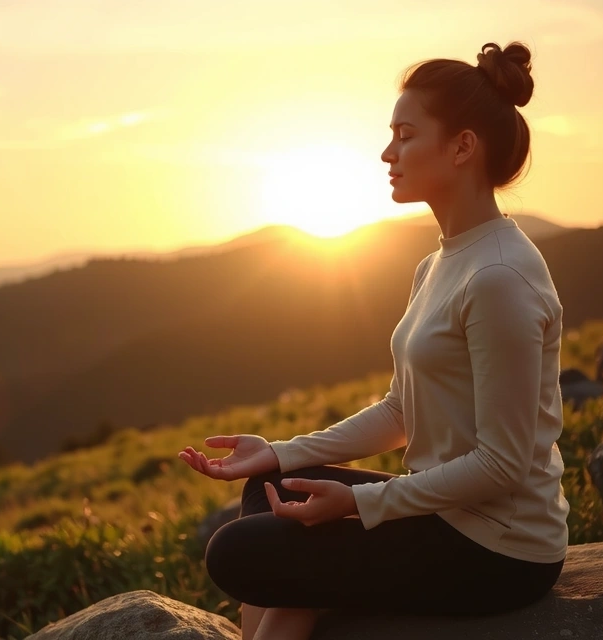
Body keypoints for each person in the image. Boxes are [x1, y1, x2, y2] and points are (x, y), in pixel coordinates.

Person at [178, 41, 569, 640]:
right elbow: (400, 412)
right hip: (447, 514)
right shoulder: (439, 264)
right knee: (269, 492)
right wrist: (284, 452)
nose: (388, 152)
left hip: (499, 547)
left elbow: (502, 464)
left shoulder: (499, 278)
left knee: (239, 555)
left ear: (463, 146)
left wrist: (361, 505)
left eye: (406, 135)